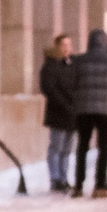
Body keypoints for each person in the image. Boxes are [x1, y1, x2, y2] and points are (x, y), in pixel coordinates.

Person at [67, 29, 107, 198]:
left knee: (82, 147)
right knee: (103, 148)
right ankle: (100, 185)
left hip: (83, 109)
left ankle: (78, 185)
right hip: (105, 110)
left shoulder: (79, 60)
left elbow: (72, 82)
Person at [38, 35, 77, 193]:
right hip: (58, 113)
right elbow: (49, 89)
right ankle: (55, 179)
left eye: (69, 44)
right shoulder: (50, 66)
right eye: (63, 45)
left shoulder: (73, 64)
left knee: (67, 149)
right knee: (57, 147)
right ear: (57, 47)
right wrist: (65, 104)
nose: (66, 48)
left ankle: (64, 178)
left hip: (72, 114)